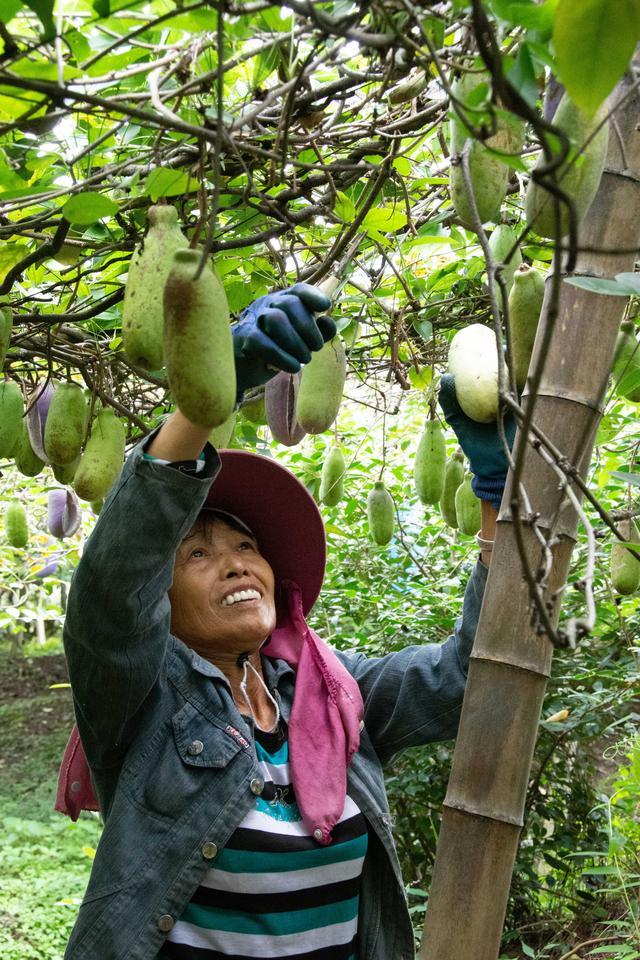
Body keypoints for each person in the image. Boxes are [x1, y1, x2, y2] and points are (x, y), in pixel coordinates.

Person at [58, 282, 511, 960]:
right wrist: (210, 396)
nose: (236, 564)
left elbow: (470, 679)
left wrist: (496, 498)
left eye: (246, 548)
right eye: (199, 554)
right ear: (160, 598)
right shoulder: (142, 698)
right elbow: (112, 585)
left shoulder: (331, 693)